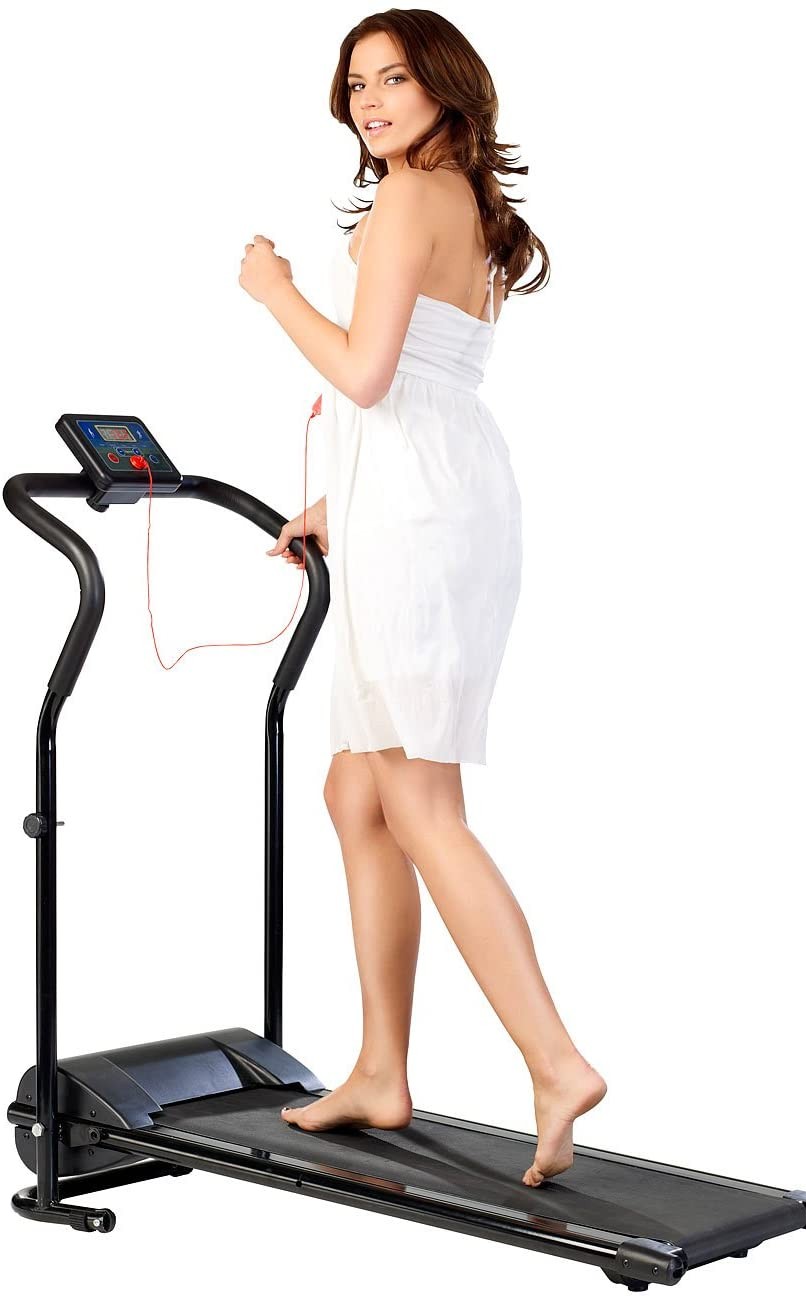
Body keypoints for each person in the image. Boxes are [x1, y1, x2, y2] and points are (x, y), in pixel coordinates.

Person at [238, 9, 607, 1188]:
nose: (371, 101)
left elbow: (363, 372)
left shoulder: (408, 195)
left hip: (421, 520)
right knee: (356, 791)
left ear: (445, 86)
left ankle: (554, 1060)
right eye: (356, 85)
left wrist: (273, 289)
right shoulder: (463, 200)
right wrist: (337, 505)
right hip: (433, 500)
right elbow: (423, 386)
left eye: (393, 78)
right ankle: (381, 1068)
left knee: (418, 800)